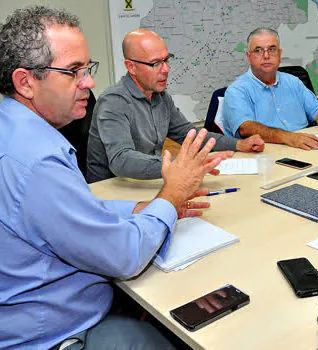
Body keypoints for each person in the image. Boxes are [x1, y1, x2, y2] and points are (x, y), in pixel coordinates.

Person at [0, 6, 230, 349]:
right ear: (25, 82)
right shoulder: (38, 161)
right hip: (58, 332)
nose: (89, 83)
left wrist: (140, 208)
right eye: (74, 71)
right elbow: (126, 256)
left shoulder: (15, 128)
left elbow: (72, 209)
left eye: (87, 69)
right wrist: (171, 195)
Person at [87, 29, 264, 183]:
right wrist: (180, 167)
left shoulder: (161, 97)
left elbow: (190, 136)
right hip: (113, 192)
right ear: (131, 67)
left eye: (166, 60)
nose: (166, 69)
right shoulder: (113, 101)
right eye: (156, 63)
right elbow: (121, 160)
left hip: (147, 182)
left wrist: (239, 144)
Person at [222, 27, 318, 150]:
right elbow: (246, 127)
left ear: (279, 54)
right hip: (268, 154)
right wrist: (288, 137)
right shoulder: (237, 90)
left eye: (272, 49)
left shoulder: (293, 82)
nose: (266, 56)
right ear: (249, 57)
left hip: (305, 147)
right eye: (258, 50)